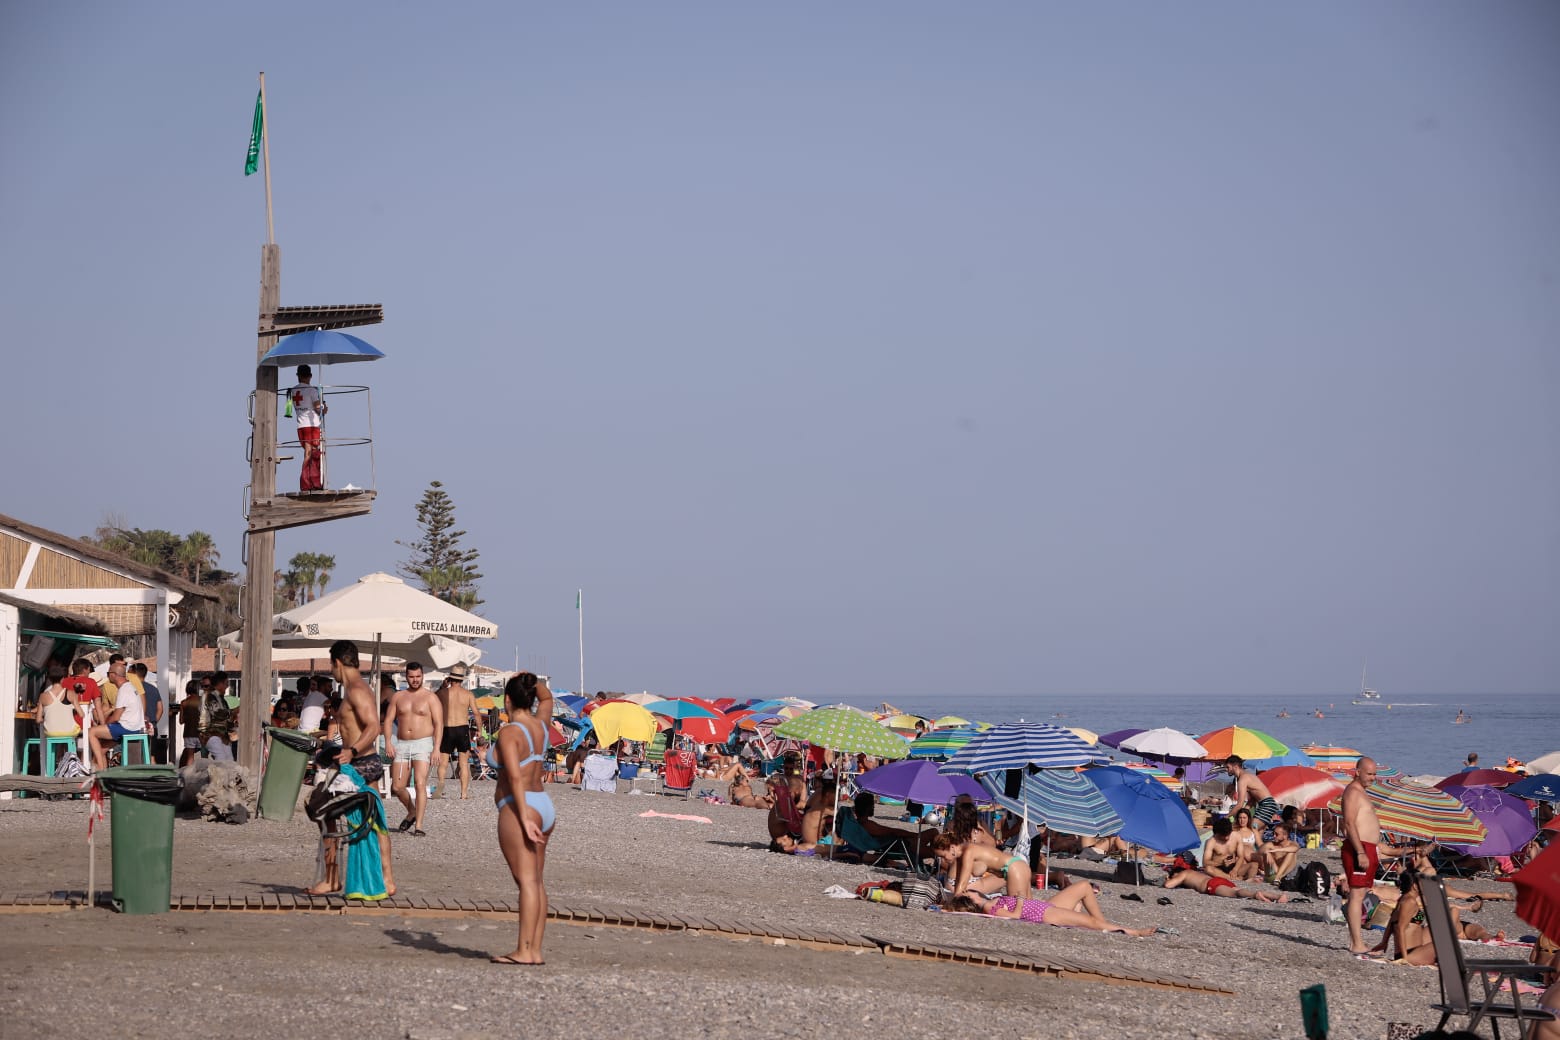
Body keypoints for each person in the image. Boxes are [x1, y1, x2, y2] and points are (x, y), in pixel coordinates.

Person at [308, 640, 394, 897]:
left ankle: (333, 878)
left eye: (330, 664)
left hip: (360, 764)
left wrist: (351, 750)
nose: (331, 669)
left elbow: (373, 727)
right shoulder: (355, 689)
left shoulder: (357, 690)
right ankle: (385, 879)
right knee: (374, 818)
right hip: (360, 763)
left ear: (337, 662)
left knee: (324, 811)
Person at [491, 672, 555, 965]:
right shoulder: (541, 724)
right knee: (537, 882)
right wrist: (530, 681)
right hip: (544, 804)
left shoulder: (510, 732)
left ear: (507, 700)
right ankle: (535, 950)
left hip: (520, 805)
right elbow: (547, 697)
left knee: (527, 882)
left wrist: (524, 819)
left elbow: (515, 777)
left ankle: (523, 951)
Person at [945, 881, 1157, 936]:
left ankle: (1103, 925)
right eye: (968, 892)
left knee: (1084, 887)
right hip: (1043, 913)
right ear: (970, 900)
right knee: (1092, 922)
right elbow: (1015, 916)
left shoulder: (989, 902)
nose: (971, 889)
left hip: (1044, 907)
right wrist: (1018, 900)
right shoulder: (988, 906)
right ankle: (1131, 931)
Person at [384, 660, 443, 836]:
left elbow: (439, 723)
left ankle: (419, 825)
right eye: (412, 677)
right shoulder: (398, 696)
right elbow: (388, 720)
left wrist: (436, 748)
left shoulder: (431, 697)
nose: (415, 680)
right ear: (406, 677)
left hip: (423, 743)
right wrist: (388, 741)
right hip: (402, 743)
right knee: (397, 787)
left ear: (422, 676)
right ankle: (411, 810)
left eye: (418, 676)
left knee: (420, 783)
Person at [1341, 755, 1383, 954]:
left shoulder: (1361, 792)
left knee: (1361, 893)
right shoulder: (1353, 791)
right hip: (1359, 848)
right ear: (1357, 772)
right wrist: (1360, 852)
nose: (1373, 778)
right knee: (1357, 895)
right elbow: (1349, 823)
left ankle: (1356, 942)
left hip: (1367, 848)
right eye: (1369, 773)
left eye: (1375, 774)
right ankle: (1356, 943)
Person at [86, 657, 146, 772]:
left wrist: (104, 725)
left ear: (114, 675)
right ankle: (101, 772)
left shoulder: (124, 690)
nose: (107, 676)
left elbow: (116, 717)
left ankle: (99, 768)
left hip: (127, 727)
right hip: (135, 726)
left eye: (108, 673)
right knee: (101, 748)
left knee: (91, 732)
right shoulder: (130, 687)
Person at [932, 834, 1033, 899]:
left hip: (1014, 868)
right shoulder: (962, 854)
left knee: (1018, 908)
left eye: (943, 856)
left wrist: (951, 905)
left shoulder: (968, 852)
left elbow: (962, 885)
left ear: (952, 847)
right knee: (1029, 908)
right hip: (1017, 866)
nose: (943, 860)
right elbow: (959, 882)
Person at [435, 663, 478, 800]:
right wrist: (479, 731)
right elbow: (476, 713)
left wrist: (442, 686)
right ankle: (463, 794)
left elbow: (432, 699)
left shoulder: (442, 693)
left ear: (450, 679)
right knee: (463, 763)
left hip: (447, 728)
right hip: (462, 728)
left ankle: (441, 785)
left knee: (443, 762)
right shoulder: (468, 694)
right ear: (462, 680)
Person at [1164, 857, 1290, 902]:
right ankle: (1277, 896)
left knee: (1236, 893)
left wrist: (1168, 878)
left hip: (1211, 885)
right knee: (1239, 889)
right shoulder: (1194, 873)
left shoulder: (1185, 873)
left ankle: (1255, 894)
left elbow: (1169, 885)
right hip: (1218, 880)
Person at [288, 363, 327, 492]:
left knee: (307, 453)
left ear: (298, 376)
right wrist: (324, 407)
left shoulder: (293, 391)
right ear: (310, 376)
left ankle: (305, 483)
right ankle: (313, 482)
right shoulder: (312, 390)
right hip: (312, 425)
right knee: (314, 453)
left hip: (300, 426)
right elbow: (317, 408)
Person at [1224, 756, 1279, 827]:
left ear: (1235, 766)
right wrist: (1244, 811)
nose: (1226, 770)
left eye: (1228, 767)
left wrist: (1227, 817)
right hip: (1269, 804)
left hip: (1266, 805)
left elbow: (1239, 804)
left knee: (1251, 829)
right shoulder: (1248, 776)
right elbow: (1252, 801)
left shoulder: (1243, 779)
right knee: (1257, 834)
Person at [129, 663, 165, 763]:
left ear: (134, 674)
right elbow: (161, 709)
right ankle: (153, 777)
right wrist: (153, 722)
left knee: (135, 757)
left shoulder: (131, 688)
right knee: (151, 756)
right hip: (152, 727)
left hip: (135, 727)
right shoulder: (153, 689)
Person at [201, 672, 236, 762]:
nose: (227, 686)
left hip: (222, 736)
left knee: (229, 761)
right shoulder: (209, 697)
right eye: (226, 683)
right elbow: (218, 713)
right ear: (220, 684)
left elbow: (227, 719)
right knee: (221, 758)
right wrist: (234, 711)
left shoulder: (222, 699)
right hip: (211, 734)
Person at [177, 680, 203, 767]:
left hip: (188, 733)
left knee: (190, 757)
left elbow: (181, 721)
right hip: (201, 733)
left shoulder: (184, 703)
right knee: (203, 756)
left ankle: (188, 775)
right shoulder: (203, 700)